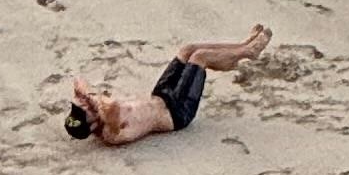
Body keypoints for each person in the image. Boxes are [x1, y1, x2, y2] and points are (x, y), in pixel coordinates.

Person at [64, 26, 270, 146]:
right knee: (200, 57)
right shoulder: (110, 133)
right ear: (91, 127)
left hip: (160, 95)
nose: (85, 109)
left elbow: (78, 80)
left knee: (188, 49)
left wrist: (83, 97)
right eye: (83, 114)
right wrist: (90, 100)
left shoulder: (95, 112)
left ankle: (242, 46)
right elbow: (113, 107)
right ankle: (248, 52)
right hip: (177, 113)